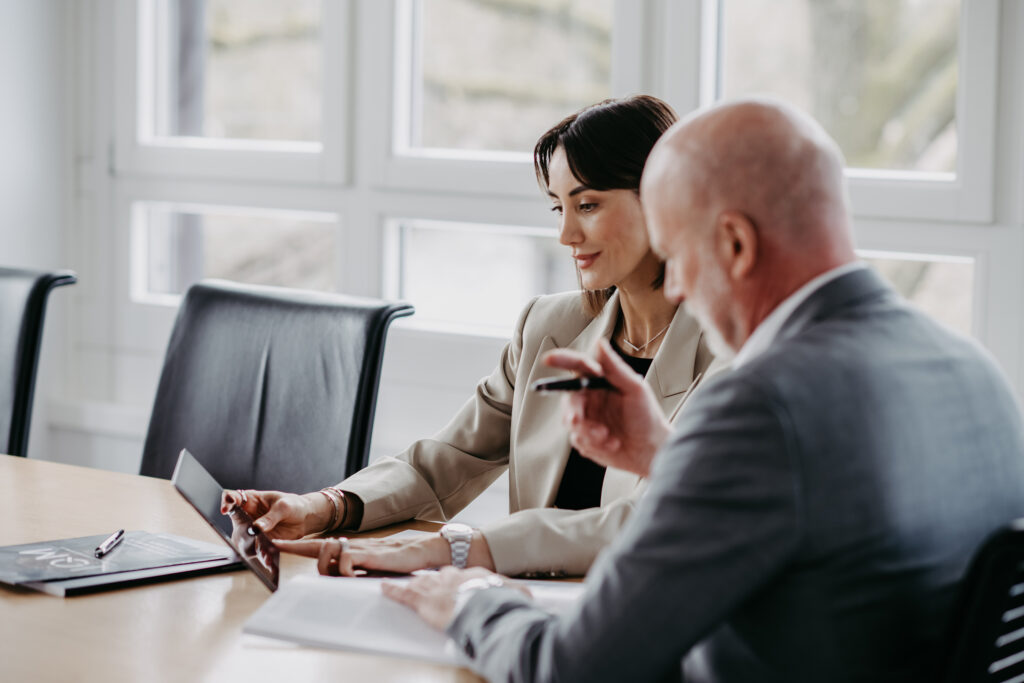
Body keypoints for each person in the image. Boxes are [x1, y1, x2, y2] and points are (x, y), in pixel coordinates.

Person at [383, 98, 1024, 682]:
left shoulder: (762, 407)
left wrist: (471, 599)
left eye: (679, 255)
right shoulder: (975, 372)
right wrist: (668, 457)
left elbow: (575, 668)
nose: (680, 288)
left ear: (736, 244)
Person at [225, 95, 717, 578]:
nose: (566, 235)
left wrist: (454, 547)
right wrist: (322, 507)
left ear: (661, 201)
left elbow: (642, 522)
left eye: (587, 205)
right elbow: (445, 461)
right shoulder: (549, 328)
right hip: (520, 601)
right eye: (557, 209)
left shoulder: (727, 359)